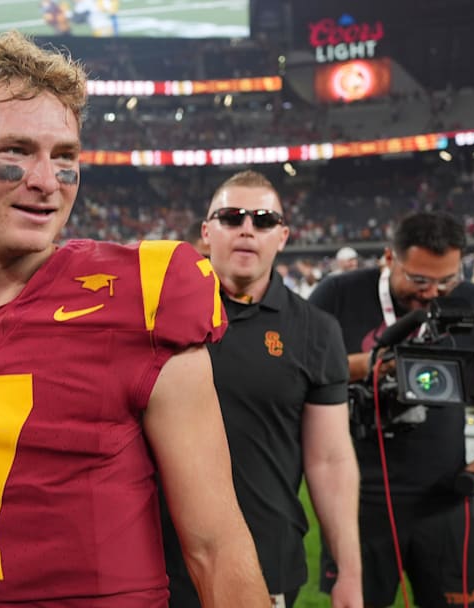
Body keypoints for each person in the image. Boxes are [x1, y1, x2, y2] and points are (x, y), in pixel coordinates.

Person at [0, 31, 267, 607]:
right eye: (15, 152)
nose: (46, 181)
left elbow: (215, 544)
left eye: (64, 156)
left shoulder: (143, 297)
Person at [162, 170, 362, 608]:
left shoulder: (316, 331)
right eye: (232, 217)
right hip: (155, 562)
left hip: (262, 560)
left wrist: (348, 571)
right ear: (206, 232)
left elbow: (329, 459)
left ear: (283, 236)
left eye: (264, 220)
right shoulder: (157, 313)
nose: (248, 228)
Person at [309, 212, 474, 608]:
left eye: (447, 280)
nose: (432, 293)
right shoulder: (336, 295)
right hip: (357, 499)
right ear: (390, 258)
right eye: (419, 280)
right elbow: (296, 375)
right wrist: (367, 365)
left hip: (446, 496)